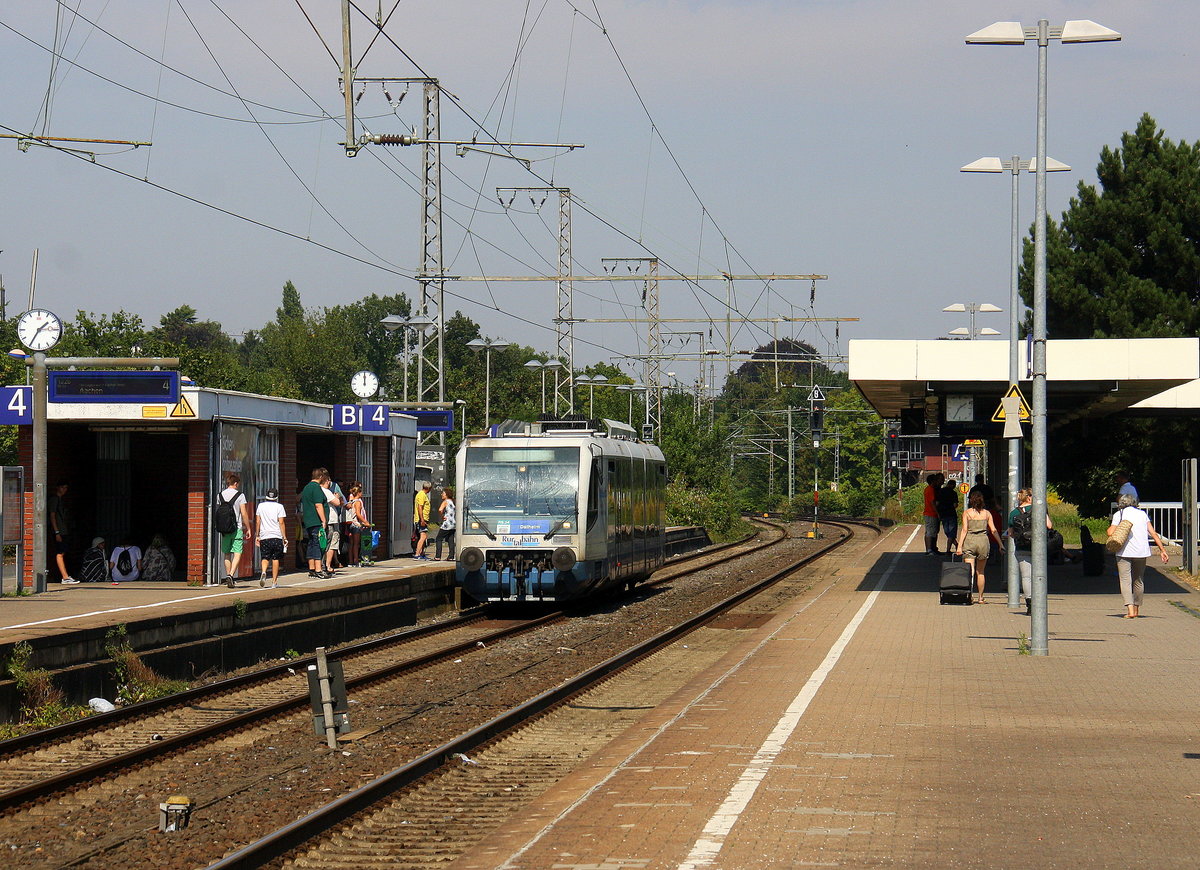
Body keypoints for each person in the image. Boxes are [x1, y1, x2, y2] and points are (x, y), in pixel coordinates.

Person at [1108, 493, 1168, 619]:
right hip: (1141, 552)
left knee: (1125, 580)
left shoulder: (1119, 514)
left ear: (1121, 503)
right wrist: (1162, 550)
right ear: (1135, 502)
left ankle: (1129, 609)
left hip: (1123, 552)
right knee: (1138, 580)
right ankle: (1136, 609)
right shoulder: (1142, 514)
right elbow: (1153, 533)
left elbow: (1110, 532)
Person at [1006, 488, 1054, 614]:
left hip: (1022, 547)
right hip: (1038, 548)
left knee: (1026, 577)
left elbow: (1010, 533)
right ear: (1028, 497)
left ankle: (1030, 604)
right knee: (1039, 576)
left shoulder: (1013, 513)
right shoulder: (1039, 510)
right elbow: (1049, 526)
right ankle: (1039, 603)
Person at [956, 490, 999, 604]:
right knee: (981, 572)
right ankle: (981, 597)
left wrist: (959, 546)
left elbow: (964, 530)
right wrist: (1001, 544)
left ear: (971, 500)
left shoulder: (967, 513)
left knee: (970, 571)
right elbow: (993, 530)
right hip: (983, 542)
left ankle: (969, 596)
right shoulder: (987, 514)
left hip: (970, 541)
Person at [217, 472, 253, 588]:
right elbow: (244, 513)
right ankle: (231, 575)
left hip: (224, 529)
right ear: (236, 483)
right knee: (237, 552)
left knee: (227, 553)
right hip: (236, 528)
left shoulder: (220, 495)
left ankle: (228, 574)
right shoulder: (240, 496)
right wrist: (248, 528)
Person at [299, 467, 330, 579]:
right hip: (316, 521)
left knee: (311, 543)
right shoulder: (316, 488)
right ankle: (318, 569)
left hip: (308, 521)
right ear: (321, 477)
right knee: (318, 543)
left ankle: (311, 568)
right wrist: (323, 520)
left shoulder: (306, 487)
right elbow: (318, 504)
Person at [255, 487, 288, 588]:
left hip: (265, 536)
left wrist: (257, 535)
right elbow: (281, 522)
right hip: (276, 536)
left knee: (265, 557)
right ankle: (274, 582)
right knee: (275, 558)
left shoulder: (261, 506)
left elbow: (258, 521)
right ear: (276, 497)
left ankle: (264, 571)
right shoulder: (280, 507)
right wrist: (284, 537)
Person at [48, 480, 75, 583]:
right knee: (60, 552)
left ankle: (65, 575)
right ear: (58, 488)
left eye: (66, 488)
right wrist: (57, 532)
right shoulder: (54, 500)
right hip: (59, 531)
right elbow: (52, 516)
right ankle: (65, 577)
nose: (64, 490)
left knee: (63, 552)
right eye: (63, 487)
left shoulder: (60, 500)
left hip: (63, 530)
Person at [320, 473, 344, 574]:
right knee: (330, 544)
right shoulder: (326, 492)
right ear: (326, 481)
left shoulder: (317, 491)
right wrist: (337, 497)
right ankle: (327, 565)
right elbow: (339, 502)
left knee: (325, 543)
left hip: (326, 520)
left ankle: (322, 565)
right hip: (331, 520)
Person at [345, 483, 369, 567]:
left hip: (350, 523)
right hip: (356, 524)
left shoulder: (351, 501)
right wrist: (365, 522)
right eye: (361, 492)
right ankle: (355, 561)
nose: (362, 494)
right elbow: (358, 514)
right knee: (356, 543)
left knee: (351, 543)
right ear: (358, 493)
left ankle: (350, 561)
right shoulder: (358, 502)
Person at [935, 479, 958, 556]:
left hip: (943, 514)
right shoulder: (954, 493)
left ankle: (955, 546)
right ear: (952, 485)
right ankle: (950, 549)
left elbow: (937, 503)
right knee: (952, 532)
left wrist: (938, 512)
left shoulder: (940, 492)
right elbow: (955, 505)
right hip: (951, 514)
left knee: (947, 532)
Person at [923, 473, 943, 555]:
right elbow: (932, 502)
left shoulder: (928, 489)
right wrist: (937, 512)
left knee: (934, 531)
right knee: (930, 532)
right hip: (930, 513)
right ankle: (929, 549)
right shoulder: (930, 489)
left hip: (931, 513)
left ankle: (933, 548)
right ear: (932, 481)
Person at [434, 486, 456, 561]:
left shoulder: (445, 501)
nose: (441, 495)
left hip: (447, 523)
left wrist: (442, 516)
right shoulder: (453, 501)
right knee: (450, 539)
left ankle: (438, 556)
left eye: (443, 493)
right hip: (453, 523)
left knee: (439, 539)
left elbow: (440, 510)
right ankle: (451, 556)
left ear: (446, 494)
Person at [413, 481, 433, 561]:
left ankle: (421, 554)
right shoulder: (421, 495)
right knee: (423, 536)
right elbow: (420, 507)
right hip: (421, 519)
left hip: (424, 519)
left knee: (423, 536)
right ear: (428, 488)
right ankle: (417, 554)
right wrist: (422, 519)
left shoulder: (423, 495)